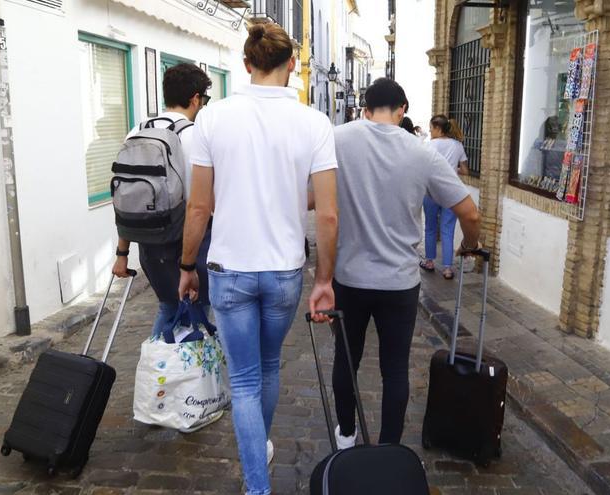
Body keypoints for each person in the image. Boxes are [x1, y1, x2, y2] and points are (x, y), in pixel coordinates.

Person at [178, 22, 339, 495]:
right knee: (268, 369)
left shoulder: (213, 118)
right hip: (284, 271)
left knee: (244, 380)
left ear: (247, 65)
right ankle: (259, 448)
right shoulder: (314, 123)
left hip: (229, 271)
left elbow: (199, 207)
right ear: (292, 65)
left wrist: (187, 266)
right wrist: (324, 279)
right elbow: (327, 215)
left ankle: (257, 485)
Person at [331, 78, 481, 448]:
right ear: (402, 110)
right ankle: (389, 447)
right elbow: (470, 213)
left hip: (349, 277)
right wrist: (470, 247)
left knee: (346, 360)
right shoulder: (422, 153)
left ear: (365, 109)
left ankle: (347, 435)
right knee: (394, 368)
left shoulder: (338, 139)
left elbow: (311, 196)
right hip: (398, 283)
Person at [112, 63, 214, 341]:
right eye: (203, 99)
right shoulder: (195, 136)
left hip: (149, 244)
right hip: (188, 245)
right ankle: (185, 379)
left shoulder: (136, 131)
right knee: (198, 309)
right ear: (196, 98)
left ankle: (159, 374)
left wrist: (122, 254)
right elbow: (202, 205)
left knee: (168, 306)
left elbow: (127, 198)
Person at [421, 114, 470, 279]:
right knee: (448, 230)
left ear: (438, 128)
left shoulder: (429, 146)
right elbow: (465, 170)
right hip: (451, 193)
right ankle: (448, 268)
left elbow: (423, 167)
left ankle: (429, 261)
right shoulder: (458, 146)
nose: (430, 131)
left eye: (431, 128)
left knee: (430, 227)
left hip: (432, 191)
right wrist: (451, 170)